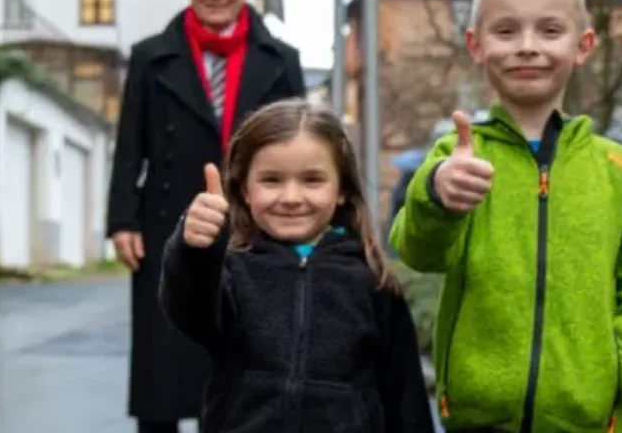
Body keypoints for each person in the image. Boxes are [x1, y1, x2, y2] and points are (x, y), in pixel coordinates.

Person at [390, 0, 622, 433]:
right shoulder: (457, 155)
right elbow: (417, 251)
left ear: (583, 45)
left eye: (549, 30)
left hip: (593, 421)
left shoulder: (616, 169)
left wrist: (621, 367)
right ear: (476, 44)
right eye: (506, 31)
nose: (527, 46)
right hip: (479, 420)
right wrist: (436, 195)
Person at [106, 0, 306, 433]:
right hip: (166, 221)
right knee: (162, 361)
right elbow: (130, 143)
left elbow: (303, 145)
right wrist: (122, 219)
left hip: (254, 223)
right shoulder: (151, 56)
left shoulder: (281, 58)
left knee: (245, 352)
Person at [159, 98, 435, 433]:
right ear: (245, 189)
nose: (291, 197)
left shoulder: (371, 281)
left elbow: (405, 396)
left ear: (342, 190)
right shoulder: (231, 272)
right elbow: (189, 309)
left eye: (312, 180)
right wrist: (195, 248)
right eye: (272, 180)